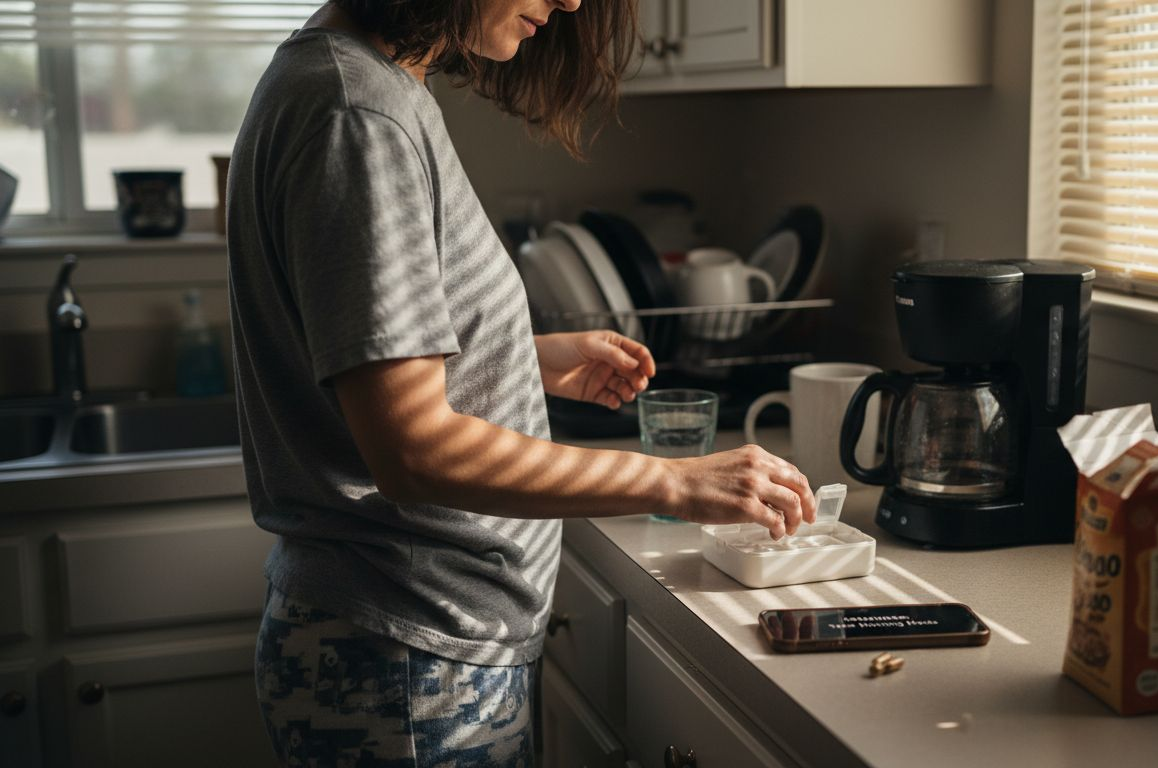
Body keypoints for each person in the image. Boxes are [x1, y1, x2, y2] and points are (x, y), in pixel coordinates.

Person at [227, 0, 817, 765]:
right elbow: (414, 451)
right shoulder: (360, 115)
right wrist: (671, 481)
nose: (571, 0)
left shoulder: (351, 80)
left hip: (411, 646)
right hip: (407, 665)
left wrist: (515, 352)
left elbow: (358, 348)